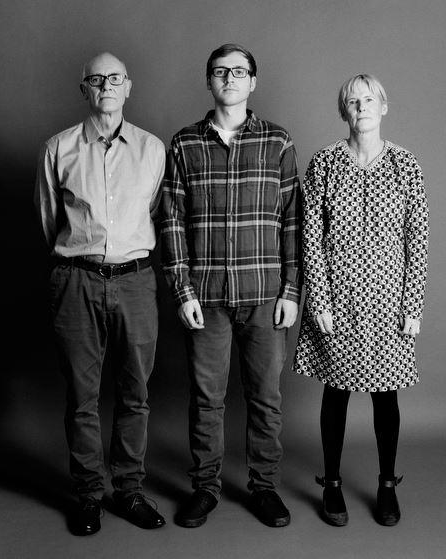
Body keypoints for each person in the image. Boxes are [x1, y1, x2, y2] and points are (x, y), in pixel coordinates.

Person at [161, 43, 302, 528]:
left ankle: (264, 488)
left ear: (253, 82)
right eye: (221, 71)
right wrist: (182, 291)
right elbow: (172, 221)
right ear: (209, 81)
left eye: (239, 71)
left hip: (265, 296)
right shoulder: (184, 144)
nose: (229, 79)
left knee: (266, 399)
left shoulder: (278, 141)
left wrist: (292, 291)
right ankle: (205, 488)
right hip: (206, 299)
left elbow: (292, 221)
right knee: (207, 400)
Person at [34, 52, 166, 535]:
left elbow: (155, 211)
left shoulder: (153, 149)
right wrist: (82, 256)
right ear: (84, 89)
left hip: (136, 280)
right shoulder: (58, 148)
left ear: (128, 86)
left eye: (115, 78)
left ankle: (128, 490)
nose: (106, 86)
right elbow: (50, 220)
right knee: (82, 395)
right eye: (96, 79)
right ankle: (88, 494)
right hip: (76, 280)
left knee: (136, 393)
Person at [293, 74, 429, 527]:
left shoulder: (406, 165)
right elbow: (310, 237)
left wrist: (412, 306)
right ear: (343, 112)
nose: (361, 107)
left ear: (383, 106)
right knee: (336, 391)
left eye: (368, 100)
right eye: (352, 102)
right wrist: (319, 301)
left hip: (388, 302)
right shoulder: (324, 163)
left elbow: (418, 240)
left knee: (385, 395)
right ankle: (331, 483)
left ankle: (387, 484)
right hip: (337, 300)